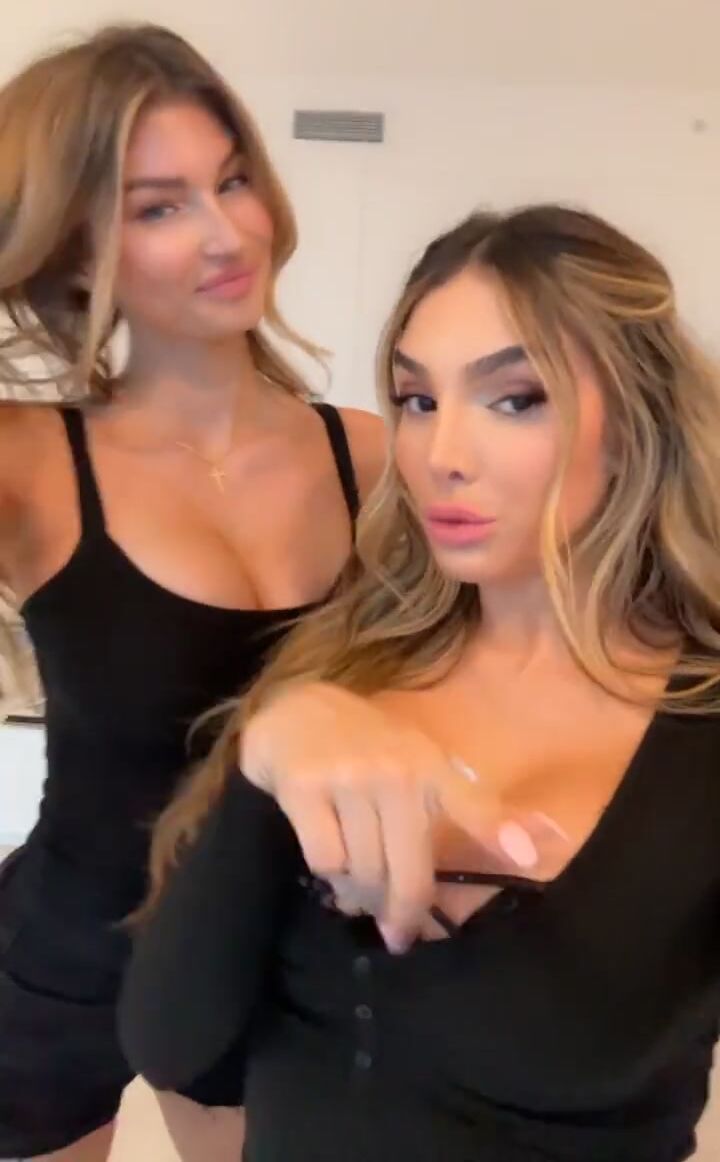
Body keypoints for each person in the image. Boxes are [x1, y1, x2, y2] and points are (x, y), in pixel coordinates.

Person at [121, 205, 720, 1162]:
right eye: (417, 400)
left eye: (515, 399)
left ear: (637, 420)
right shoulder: (337, 674)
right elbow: (174, 1045)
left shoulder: (701, 736)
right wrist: (265, 757)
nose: (442, 456)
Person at [0, 22, 390, 1162]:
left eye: (232, 181)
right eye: (159, 206)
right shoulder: (29, 460)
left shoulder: (370, 458)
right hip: (67, 953)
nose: (226, 233)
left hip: (274, 963)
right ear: (74, 250)